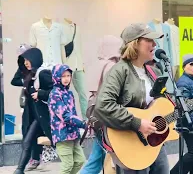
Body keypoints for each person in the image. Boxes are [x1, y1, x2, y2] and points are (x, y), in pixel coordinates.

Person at [94, 23, 170, 174]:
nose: (154, 44)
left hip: (154, 142)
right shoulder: (119, 71)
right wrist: (137, 123)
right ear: (135, 43)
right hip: (130, 142)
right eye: (149, 40)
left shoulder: (152, 71)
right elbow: (103, 105)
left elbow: (158, 106)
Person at [80, 35, 122, 174]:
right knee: (97, 162)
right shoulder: (113, 67)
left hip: (98, 118)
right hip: (108, 119)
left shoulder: (99, 64)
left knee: (97, 159)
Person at [13, 48, 53, 174]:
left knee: (59, 145)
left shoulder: (43, 74)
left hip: (42, 115)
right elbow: (14, 81)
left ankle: (20, 169)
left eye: (27, 60)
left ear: (35, 59)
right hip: (33, 115)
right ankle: (20, 169)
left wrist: (40, 93)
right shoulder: (30, 75)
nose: (25, 63)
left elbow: (55, 92)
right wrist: (21, 69)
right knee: (28, 140)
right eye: (24, 61)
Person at [48, 64, 86, 174]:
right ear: (57, 77)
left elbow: (73, 113)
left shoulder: (69, 93)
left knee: (79, 161)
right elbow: (64, 115)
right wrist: (82, 123)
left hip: (73, 134)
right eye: (63, 76)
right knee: (67, 165)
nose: (66, 79)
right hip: (62, 135)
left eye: (68, 76)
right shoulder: (54, 94)